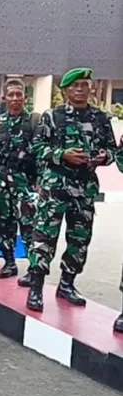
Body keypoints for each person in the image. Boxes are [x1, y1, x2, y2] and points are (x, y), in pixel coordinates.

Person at [23, 68, 116, 312]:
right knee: (44, 237)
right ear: (65, 90)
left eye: (84, 85)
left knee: (79, 239)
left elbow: (112, 150)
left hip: (85, 188)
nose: (80, 90)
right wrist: (62, 154)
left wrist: (104, 157)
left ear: (90, 89)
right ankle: (36, 287)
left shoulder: (100, 118)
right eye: (75, 86)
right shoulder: (53, 116)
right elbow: (37, 147)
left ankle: (67, 283)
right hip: (56, 185)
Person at [0, 79, 40, 279]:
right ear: (3, 98)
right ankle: (9, 263)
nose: (15, 98)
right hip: (1, 183)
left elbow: (41, 153)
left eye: (19, 94)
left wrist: (40, 182)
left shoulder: (34, 121)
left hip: (26, 184)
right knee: (3, 225)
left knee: (29, 226)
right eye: (11, 95)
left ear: (25, 97)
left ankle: (34, 269)